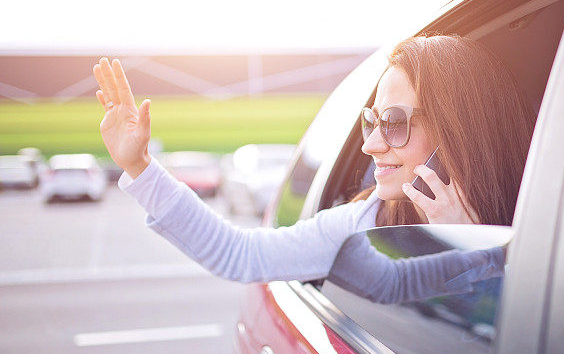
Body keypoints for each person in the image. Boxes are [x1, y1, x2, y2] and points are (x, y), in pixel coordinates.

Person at [91, 34, 534, 284]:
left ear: (457, 130)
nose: (371, 145)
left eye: (394, 122)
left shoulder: (539, 230)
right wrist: (140, 167)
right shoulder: (361, 222)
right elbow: (239, 254)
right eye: (370, 121)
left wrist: (474, 245)